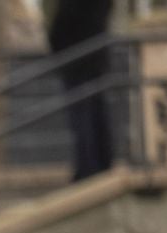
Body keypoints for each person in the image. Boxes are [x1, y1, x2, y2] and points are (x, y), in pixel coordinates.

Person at [49, 0, 116, 182]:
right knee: (95, 111)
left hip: (78, 58)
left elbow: (63, 22)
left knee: (83, 116)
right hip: (95, 56)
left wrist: (57, 47)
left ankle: (89, 168)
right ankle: (101, 163)